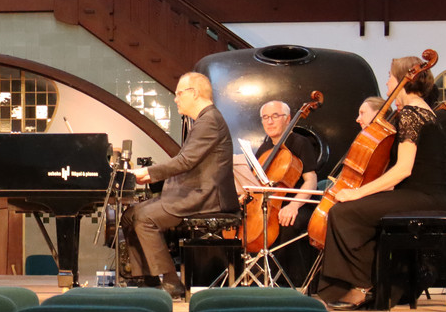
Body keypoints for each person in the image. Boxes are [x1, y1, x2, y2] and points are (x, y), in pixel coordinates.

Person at [319, 57, 446, 310]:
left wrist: (358, 193)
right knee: (365, 210)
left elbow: (403, 169)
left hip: (422, 196)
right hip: (435, 196)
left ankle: (360, 288)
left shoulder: (410, 113)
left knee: (344, 212)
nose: (387, 82)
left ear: (403, 80)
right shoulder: (428, 110)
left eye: (389, 77)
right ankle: (384, 285)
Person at [120, 72, 239, 300]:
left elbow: (186, 161)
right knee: (129, 215)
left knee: (144, 217)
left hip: (207, 196)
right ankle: (147, 278)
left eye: (179, 94)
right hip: (194, 191)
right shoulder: (203, 120)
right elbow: (187, 162)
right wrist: (151, 175)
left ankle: (171, 282)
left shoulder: (210, 120)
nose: (175, 99)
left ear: (194, 93)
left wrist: (150, 173)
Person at [234, 100, 320, 285]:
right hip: (268, 205)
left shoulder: (300, 143)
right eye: (265, 117)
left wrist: (294, 205)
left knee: (287, 224)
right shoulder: (265, 148)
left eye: (275, 116)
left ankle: (287, 283)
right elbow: (256, 184)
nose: (269, 121)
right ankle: (252, 280)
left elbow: (311, 180)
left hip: (296, 203)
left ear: (288, 119)